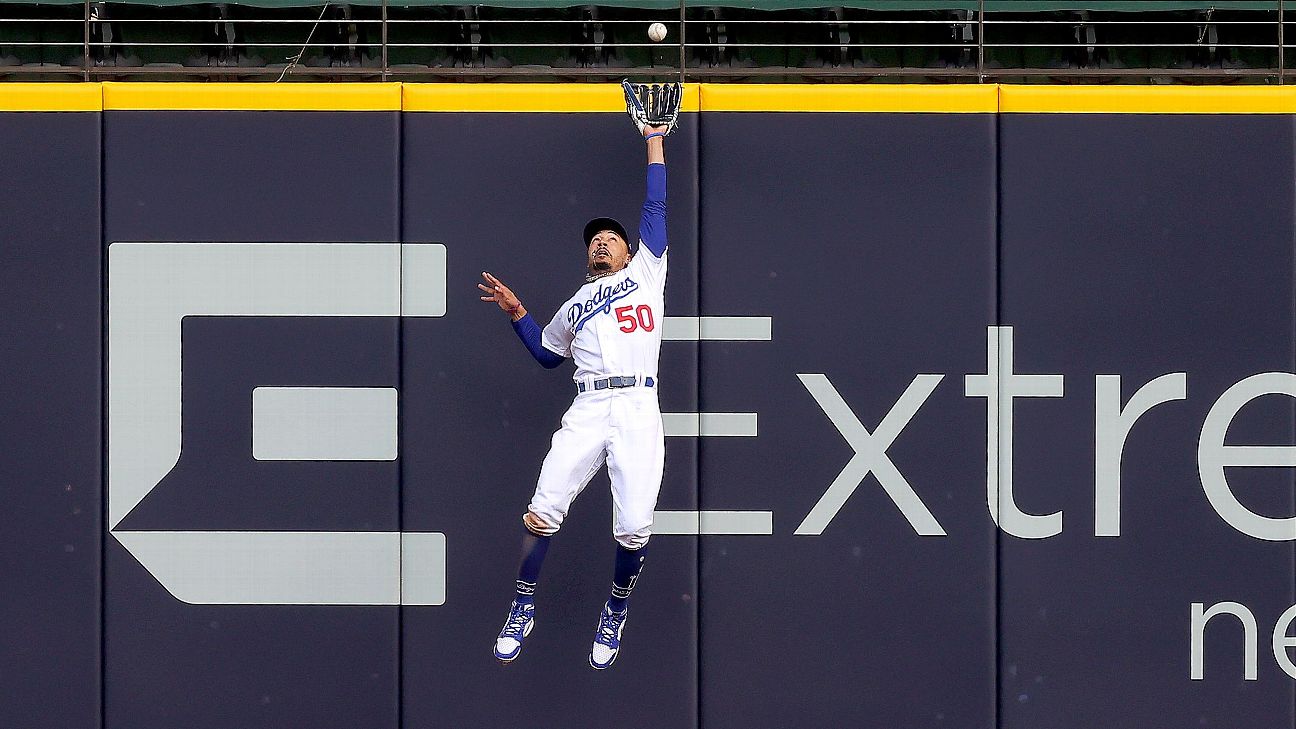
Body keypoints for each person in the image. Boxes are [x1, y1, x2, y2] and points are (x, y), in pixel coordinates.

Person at [478, 121, 670, 670]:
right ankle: (522, 604)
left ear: (630, 252)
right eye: (594, 240)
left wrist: (654, 140)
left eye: (610, 238)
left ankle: (616, 606)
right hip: (588, 407)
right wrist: (519, 315)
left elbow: (654, 211)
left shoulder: (648, 273)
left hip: (636, 408)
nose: (601, 242)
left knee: (634, 527)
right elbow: (546, 354)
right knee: (541, 511)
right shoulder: (573, 306)